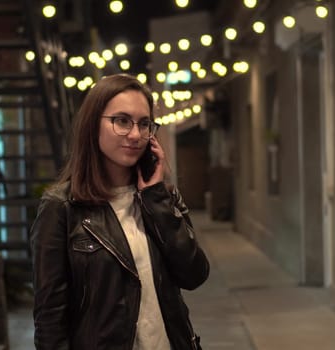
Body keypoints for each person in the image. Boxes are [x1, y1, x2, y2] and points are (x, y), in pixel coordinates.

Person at [31, 73, 209, 350]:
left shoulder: (162, 197)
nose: (135, 135)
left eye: (144, 123)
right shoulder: (62, 207)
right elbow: (50, 319)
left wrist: (156, 199)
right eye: (122, 121)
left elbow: (194, 274)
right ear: (93, 124)